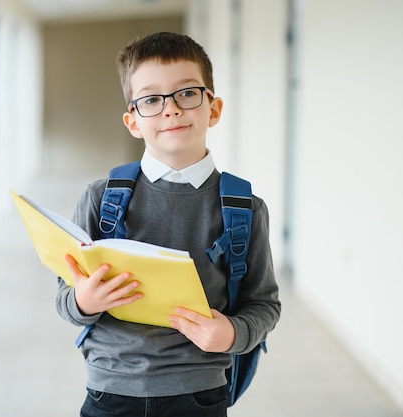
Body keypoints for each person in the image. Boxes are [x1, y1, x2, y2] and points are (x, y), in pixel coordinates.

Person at [56, 31, 281, 417]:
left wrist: (231, 333)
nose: (171, 109)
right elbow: (65, 295)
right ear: (133, 122)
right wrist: (84, 301)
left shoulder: (244, 208)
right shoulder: (100, 197)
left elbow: (263, 304)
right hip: (109, 390)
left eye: (187, 93)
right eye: (151, 99)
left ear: (213, 108)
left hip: (199, 393)